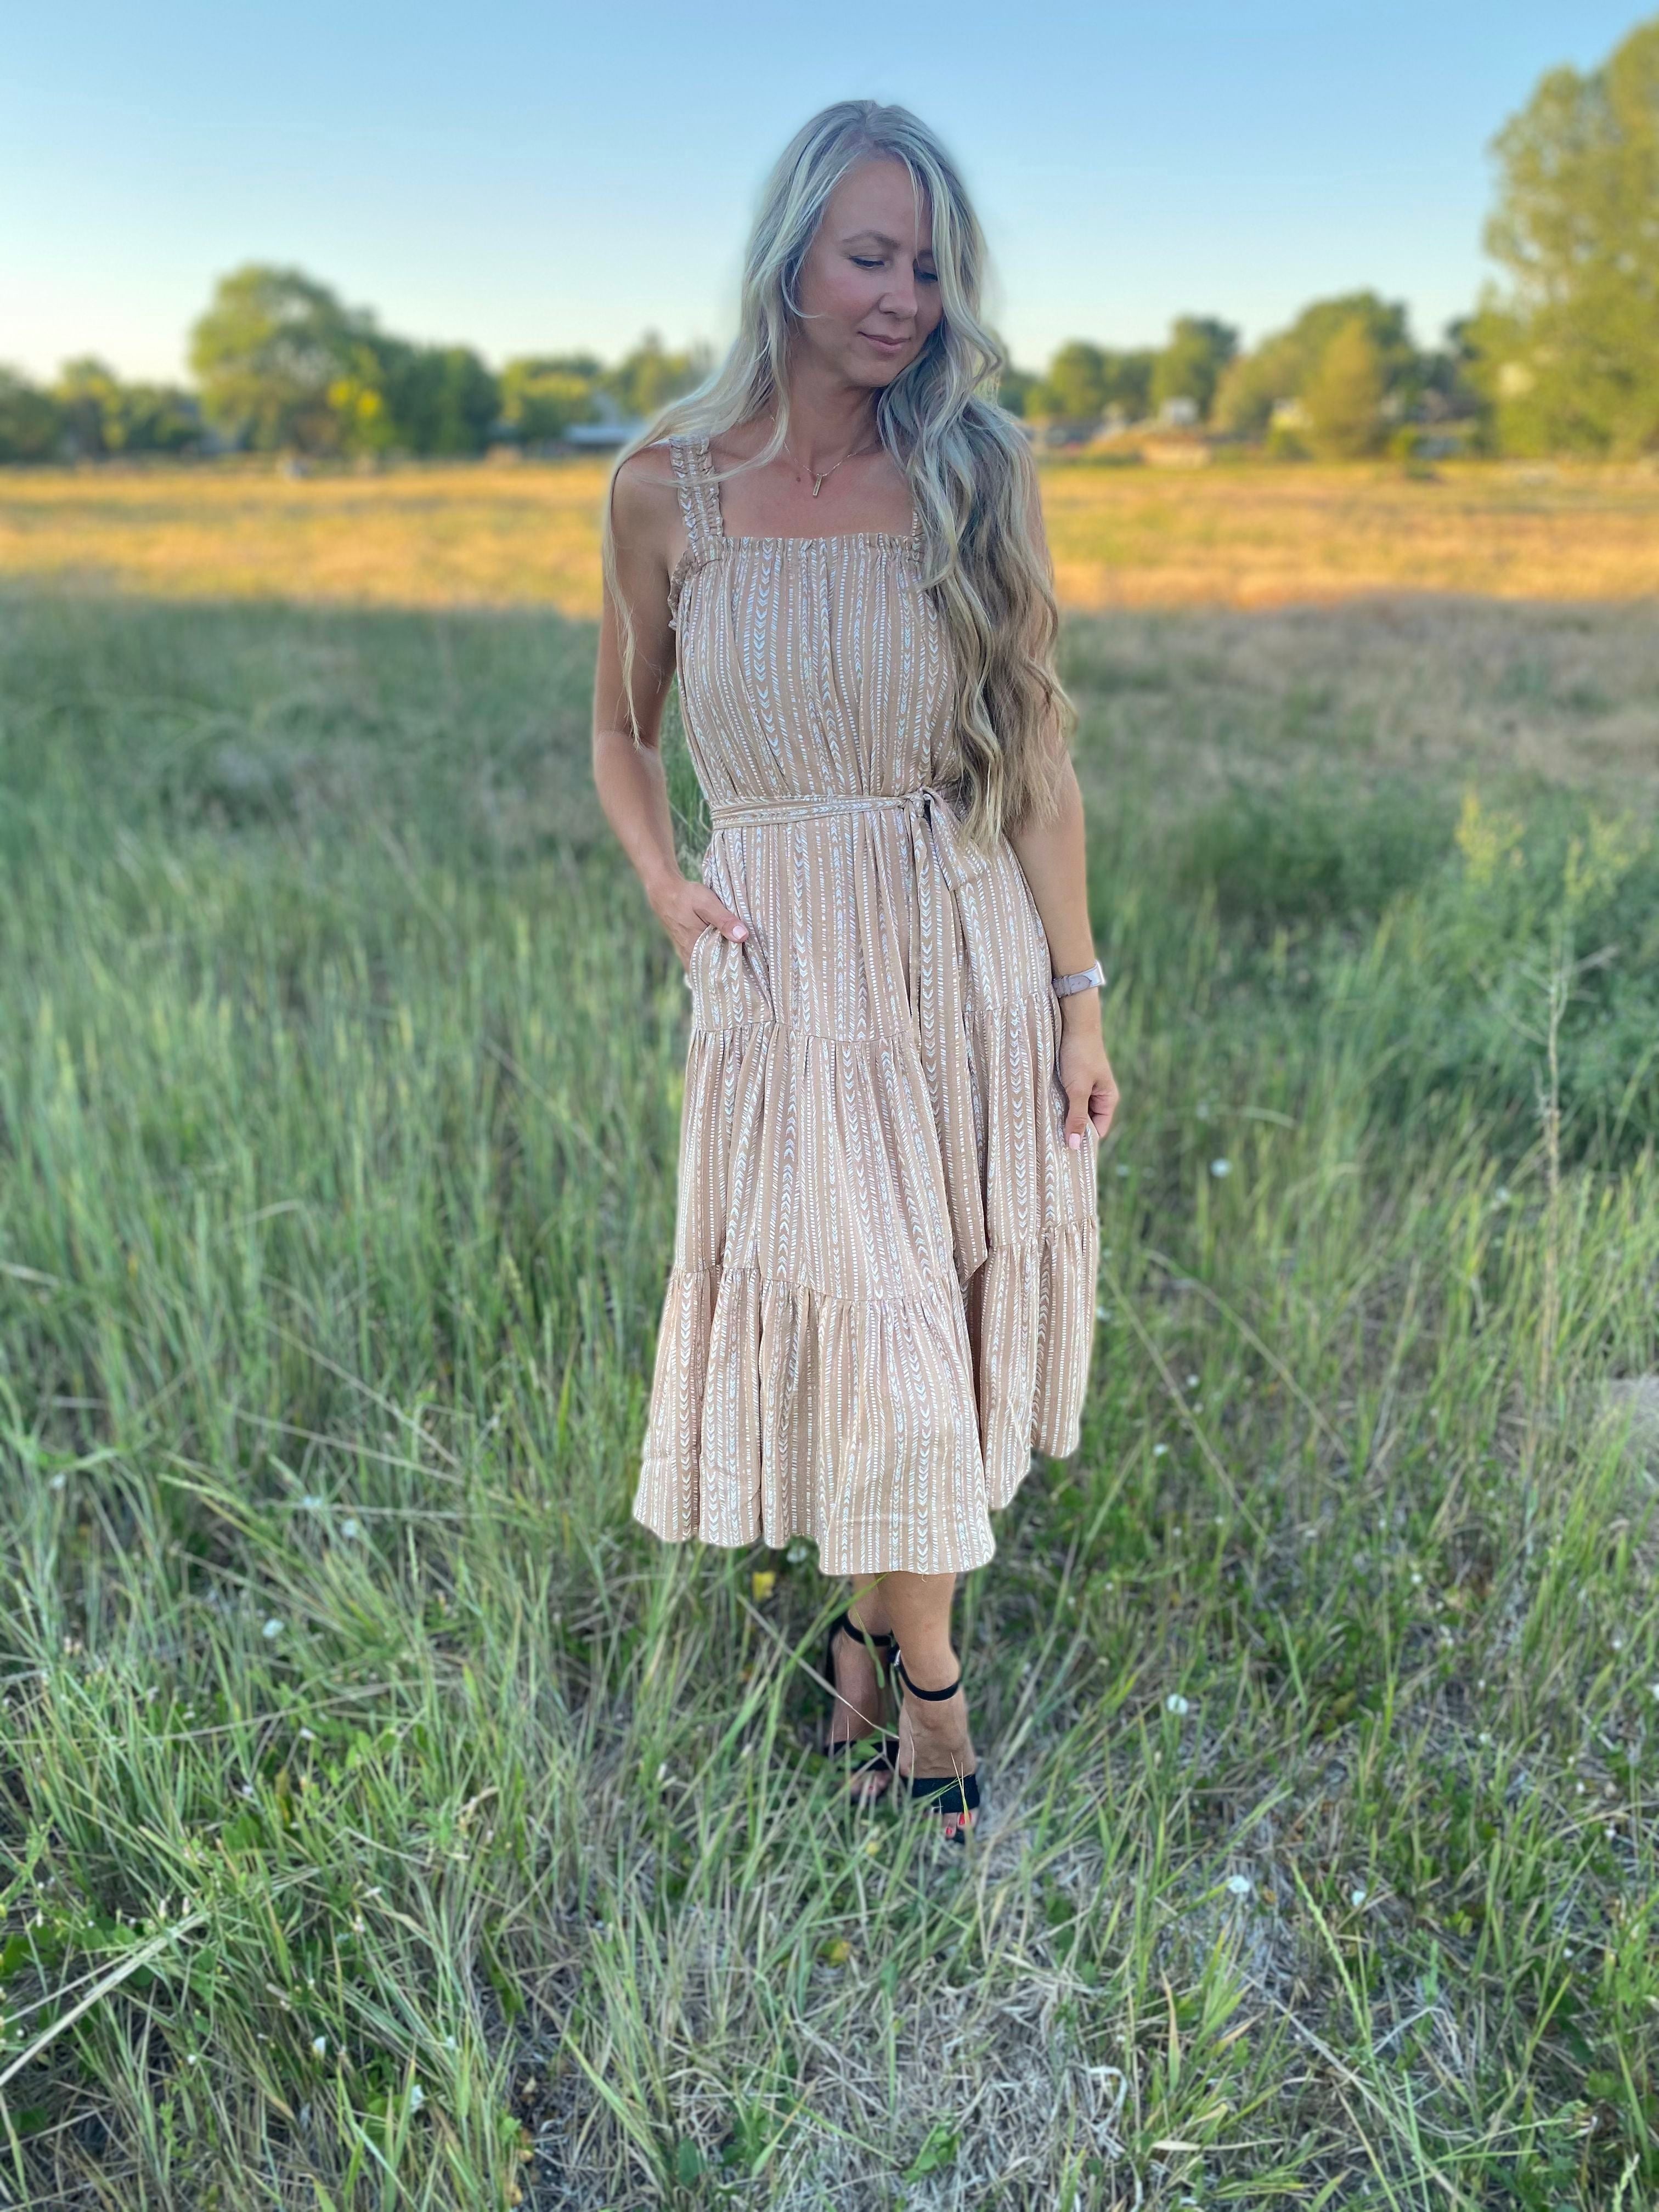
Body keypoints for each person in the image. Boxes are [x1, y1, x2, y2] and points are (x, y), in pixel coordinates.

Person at [591, 99, 1118, 1842]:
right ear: (792, 258)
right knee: (873, 1318)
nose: (904, 298)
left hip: (962, 948)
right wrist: (667, 884)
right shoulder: (665, 491)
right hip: (788, 978)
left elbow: (1036, 762)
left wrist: (1079, 1000)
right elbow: (619, 732)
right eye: (871, 256)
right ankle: (921, 1673)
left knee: (932, 1327)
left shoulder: (976, 469)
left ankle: (887, 1648)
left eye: (931, 267)